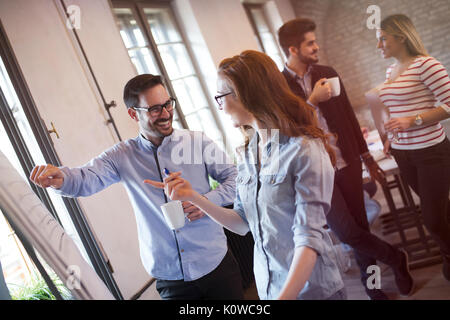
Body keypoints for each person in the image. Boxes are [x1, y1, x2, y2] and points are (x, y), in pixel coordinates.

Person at [146, 50, 346, 300]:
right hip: (270, 290)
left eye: (221, 97)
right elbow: (242, 223)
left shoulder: (304, 150)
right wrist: (194, 197)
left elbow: (309, 238)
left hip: (312, 292)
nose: (219, 106)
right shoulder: (247, 154)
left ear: (246, 94)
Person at [29, 74, 244, 300]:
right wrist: (60, 178)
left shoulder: (196, 142)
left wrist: (206, 202)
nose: (166, 114)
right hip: (170, 278)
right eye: (154, 109)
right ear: (133, 114)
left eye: (167, 104)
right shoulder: (123, 155)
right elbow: (86, 178)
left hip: (215, 264)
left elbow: (235, 178)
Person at [278, 18, 414, 299]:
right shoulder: (280, 87)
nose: (316, 46)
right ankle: (395, 257)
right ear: (293, 49)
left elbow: (349, 118)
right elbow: (288, 129)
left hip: (347, 162)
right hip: (316, 172)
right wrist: (312, 100)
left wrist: (367, 157)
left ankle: (372, 288)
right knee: (348, 232)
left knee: (360, 229)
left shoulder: (327, 72)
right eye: (310, 43)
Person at [376, 14, 450, 282]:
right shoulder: (391, 70)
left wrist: (413, 120)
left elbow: (449, 104)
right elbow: (396, 109)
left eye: (383, 38)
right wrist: (390, 135)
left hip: (432, 152)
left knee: (432, 218)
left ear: (401, 37)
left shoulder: (427, 65)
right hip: (403, 153)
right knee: (441, 212)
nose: (379, 45)